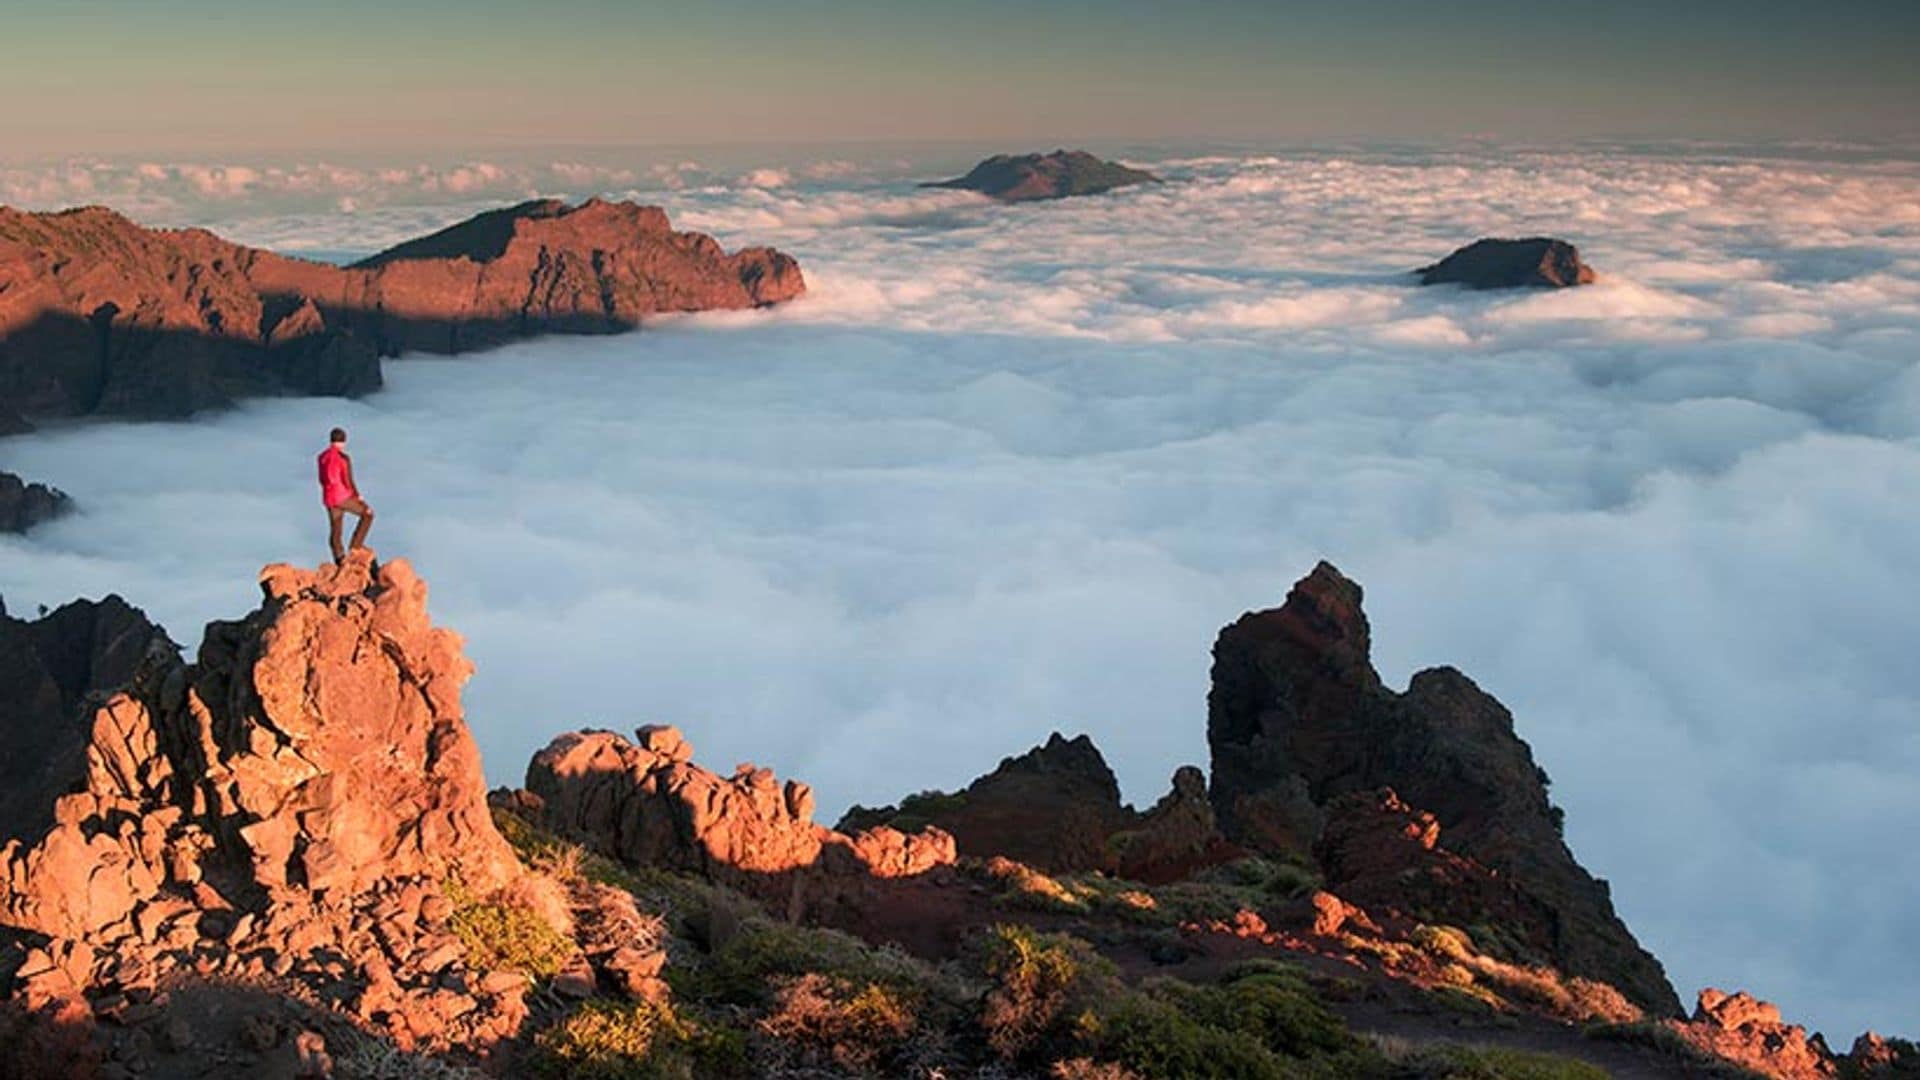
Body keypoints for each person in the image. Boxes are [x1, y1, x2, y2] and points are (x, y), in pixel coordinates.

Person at [317, 427, 374, 564]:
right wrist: (357, 496)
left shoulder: (321, 457)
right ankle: (355, 547)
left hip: (329, 498)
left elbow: (321, 479)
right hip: (342, 496)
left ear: (331, 440)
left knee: (336, 530)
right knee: (368, 514)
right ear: (343, 442)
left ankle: (340, 560)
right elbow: (347, 480)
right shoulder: (343, 458)